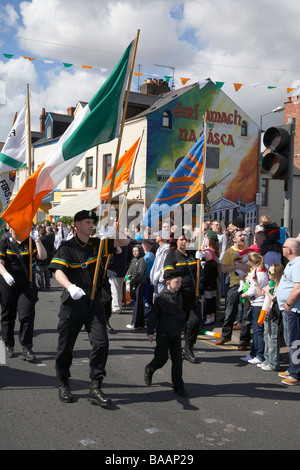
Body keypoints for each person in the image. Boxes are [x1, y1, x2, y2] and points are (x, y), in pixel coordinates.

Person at [49, 210, 129, 405]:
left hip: (94, 303)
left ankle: (95, 386)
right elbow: (58, 272)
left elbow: (125, 242)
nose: (91, 225)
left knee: (101, 343)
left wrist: (111, 229)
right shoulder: (66, 247)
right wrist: (70, 286)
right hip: (73, 302)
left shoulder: (98, 244)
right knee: (65, 346)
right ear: (77, 225)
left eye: (93, 222)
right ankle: (63, 382)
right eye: (87, 222)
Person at [0, 227, 47, 360]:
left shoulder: (30, 242)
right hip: (7, 283)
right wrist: (5, 274)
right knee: (8, 314)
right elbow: (0, 262)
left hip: (27, 284)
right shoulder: (5, 242)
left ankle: (27, 347)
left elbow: (42, 256)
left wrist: (37, 239)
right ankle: (8, 344)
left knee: (27, 315)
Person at [144, 271, 188, 397]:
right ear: (168, 283)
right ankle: (149, 369)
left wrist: (184, 325)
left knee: (177, 361)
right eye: (177, 282)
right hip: (163, 334)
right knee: (161, 359)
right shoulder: (161, 298)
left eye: (180, 281)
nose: (179, 284)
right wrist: (150, 332)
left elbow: (180, 314)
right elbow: (153, 316)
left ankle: (178, 386)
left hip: (175, 334)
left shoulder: (179, 296)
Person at [164, 232, 200, 364]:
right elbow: (167, 273)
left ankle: (188, 348)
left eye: (186, 240)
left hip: (192, 295)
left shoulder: (193, 254)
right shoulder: (171, 255)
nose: (184, 242)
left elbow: (211, 256)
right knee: (176, 323)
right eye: (181, 240)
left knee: (194, 321)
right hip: (178, 295)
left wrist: (203, 256)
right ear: (176, 242)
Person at [215, 229, 250, 345]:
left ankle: (244, 341)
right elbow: (224, 269)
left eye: (243, 236)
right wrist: (238, 266)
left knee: (246, 314)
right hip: (234, 285)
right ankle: (225, 336)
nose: (242, 237)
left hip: (248, 286)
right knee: (230, 312)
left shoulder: (249, 251)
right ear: (234, 239)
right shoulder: (229, 252)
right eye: (240, 236)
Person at [276, 238, 300, 385]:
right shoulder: (292, 264)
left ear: (289, 250)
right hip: (288, 309)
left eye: (284, 246)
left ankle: (296, 373)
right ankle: (292, 369)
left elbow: (298, 288)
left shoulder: (298, 265)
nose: (282, 248)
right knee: (290, 340)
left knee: (294, 342)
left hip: (293, 309)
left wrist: (289, 303)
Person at [240, 252, 269, 365]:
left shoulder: (259, 274)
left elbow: (253, 290)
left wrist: (242, 296)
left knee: (258, 331)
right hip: (255, 302)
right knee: (256, 330)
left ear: (251, 262)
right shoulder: (258, 271)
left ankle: (259, 355)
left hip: (259, 304)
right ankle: (253, 353)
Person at [260, 263, 284, 371]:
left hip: (275, 314)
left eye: (271, 272)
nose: (269, 274)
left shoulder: (280, 286)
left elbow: (276, 300)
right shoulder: (271, 283)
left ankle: (273, 363)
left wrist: (268, 292)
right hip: (267, 312)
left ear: (277, 273)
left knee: (273, 338)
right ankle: (267, 360)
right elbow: (261, 293)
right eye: (268, 271)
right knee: (266, 337)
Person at [125, 244, 147, 329]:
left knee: (138, 304)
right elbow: (129, 271)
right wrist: (127, 278)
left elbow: (139, 274)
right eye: (133, 251)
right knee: (138, 303)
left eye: (136, 251)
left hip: (140, 284)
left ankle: (135, 323)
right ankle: (140, 323)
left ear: (140, 251)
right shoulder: (134, 260)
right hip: (134, 283)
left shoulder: (142, 261)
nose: (135, 253)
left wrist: (131, 281)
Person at [150, 230, 170, 300]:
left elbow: (164, 264)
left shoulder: (166, 249)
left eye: (157, 236)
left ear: (161, 237)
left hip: (161, 280)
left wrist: (161, 277)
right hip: (156, 279)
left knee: (161, 300)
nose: (156, 237)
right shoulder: (159, 249)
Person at [201, 248, 218, 325]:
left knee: (208, 303)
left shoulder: (207, 264)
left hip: (208, 286)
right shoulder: (214, 263)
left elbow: (205, 277)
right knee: (213, 302)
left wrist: (201, 280)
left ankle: (208, 318)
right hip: (214, 286)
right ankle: (212, 317)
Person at [36, 226, 55, 290]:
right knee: (46, 273)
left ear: (39, 233)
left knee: (40, 273)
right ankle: (48, 285)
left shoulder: (38, 240)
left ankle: (41, 286)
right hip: (47, 258)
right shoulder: (49, 240)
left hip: (39, 258)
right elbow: (52, 248)